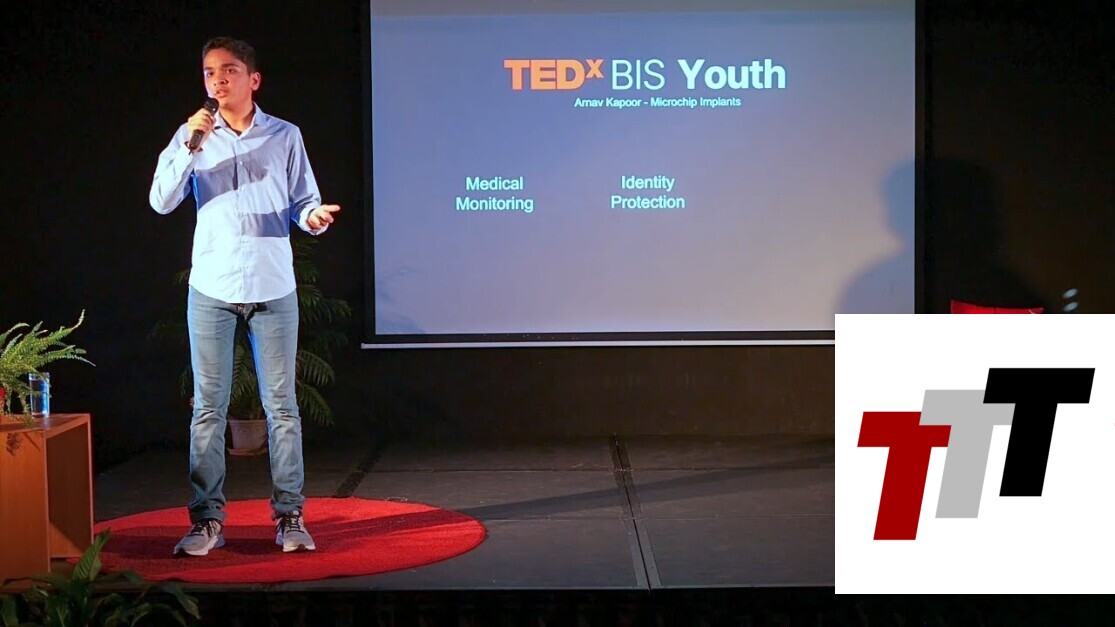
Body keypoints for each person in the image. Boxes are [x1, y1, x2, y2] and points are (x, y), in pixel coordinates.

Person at [148, 36, 340, 556]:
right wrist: (191, 146)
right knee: (208, 410)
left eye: (229, 71)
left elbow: (304, 200)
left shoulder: (285, 135)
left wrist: (313, 218)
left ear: (253, 79)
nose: (218, 80)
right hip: (212, 286)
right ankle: (207, 521)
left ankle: (290, 517)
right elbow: (161, 201)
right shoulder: (192, 135)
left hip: (272, 285)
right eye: (210, 72)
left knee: (282, 408)